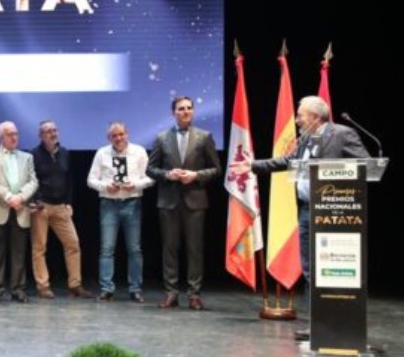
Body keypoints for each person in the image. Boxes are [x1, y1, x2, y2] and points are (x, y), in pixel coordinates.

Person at [229, 95, 369, 339]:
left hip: (334, 210)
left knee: (331, 266)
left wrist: (329, 173)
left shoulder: (342, 134)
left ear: (315, 117)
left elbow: (365, 164)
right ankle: (318, 324)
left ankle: (340, 324)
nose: (296, 120)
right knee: (310, 269)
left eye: (300, 115)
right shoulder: (306, 138)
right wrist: (253, 166)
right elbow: (289, 161)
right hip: (306, 209)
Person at [147, 96, 221, 310]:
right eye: (181, 109)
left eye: (189, 108)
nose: (186, 111)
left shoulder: (204, 137)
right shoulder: (162, 138)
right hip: (169, 202)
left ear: (193, 111)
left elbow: (216, 169)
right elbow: (150, 169)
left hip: (195, 202)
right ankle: (171, 293)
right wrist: (168, 174)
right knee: (170, 249)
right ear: (174, 113)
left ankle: (194, 294)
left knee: (195, 250)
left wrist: (196, 175)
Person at [87, 121, 154, 302]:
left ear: (127, 134)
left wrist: (136, 185)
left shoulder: (139, 151)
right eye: (114, 135)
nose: (118, 138)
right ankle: (106, 288)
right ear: (109, 138)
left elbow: (150, 177)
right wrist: (105, 186)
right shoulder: (102, 153)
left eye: (121, 134)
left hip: (132, 203)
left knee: (134, 248)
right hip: (109, 204)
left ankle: (135, 289)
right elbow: (91, 180)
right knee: (107, 248)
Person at [28, 120, 92, 299]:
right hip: (41, 206)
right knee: (39, 248)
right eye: (48, 131)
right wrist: (35, 201)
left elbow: (69, 179)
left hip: (60, 206)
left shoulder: (64, 153)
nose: (53, 133)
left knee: (73, 244)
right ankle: (43, 286)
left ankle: (75, 285)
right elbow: (30, 180)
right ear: (41, 136)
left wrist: (69, 202)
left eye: (54, 130)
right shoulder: (33, 154)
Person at [0, 121, 38, 303]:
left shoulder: (27, 157)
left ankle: (18, 289)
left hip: (20, 209)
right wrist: (8, 196)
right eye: (10, 134)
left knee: (19, 252)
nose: (14, 137)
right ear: (1, 137)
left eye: (16, 134)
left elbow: (33, 181)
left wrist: (20, 197)